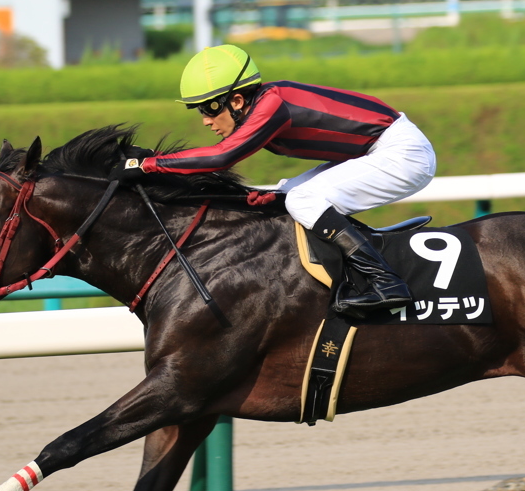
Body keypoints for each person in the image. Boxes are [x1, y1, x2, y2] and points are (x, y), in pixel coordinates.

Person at [112, 44, 436, 317]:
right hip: (374, 150)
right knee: (286, 192)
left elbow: (221, 157)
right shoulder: (264, 104)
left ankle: (385, 284)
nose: (206, 121)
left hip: (402, 153)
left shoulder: (272, 105)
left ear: (236, 101)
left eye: (209, 109)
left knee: (301, 199)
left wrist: (148, 165)